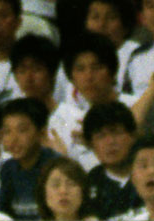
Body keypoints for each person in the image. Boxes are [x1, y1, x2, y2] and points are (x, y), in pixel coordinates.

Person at [49, 32, 138, 170]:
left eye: (96, 68)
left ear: (112, 71)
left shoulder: (135, 105)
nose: (89, 76)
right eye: (80, 69)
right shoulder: (64, 118)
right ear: (71, 76)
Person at [0, 97, 58, 220]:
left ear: (41, 133)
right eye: (7, 132)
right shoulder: (8, 169)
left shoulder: (56, 167)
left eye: (22, 130)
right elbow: (3, 216)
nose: (13, 139)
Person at [83, 101, 141, 219]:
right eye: (101, 136)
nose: (110, 142)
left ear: (133, 136)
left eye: (116, 133)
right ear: (91, 145)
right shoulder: (89, 184)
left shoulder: (152, 173)